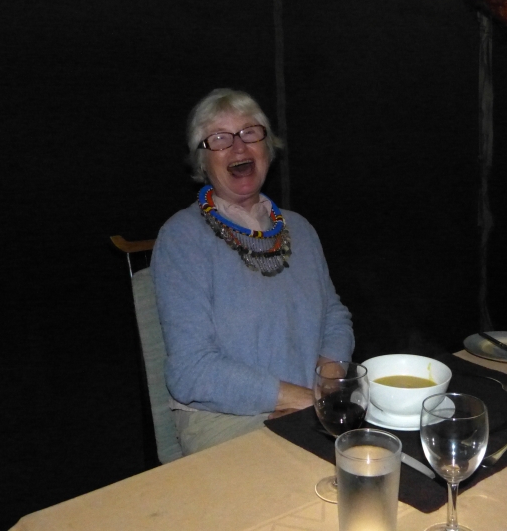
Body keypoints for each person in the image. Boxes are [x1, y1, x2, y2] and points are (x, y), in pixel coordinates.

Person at [151, 88, 355, 455]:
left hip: (307, 405)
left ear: (268, 147)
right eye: (219, 138)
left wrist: (327, 383)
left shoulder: (300, 229)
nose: (238, 147)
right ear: (202, 160)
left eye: (250, 132)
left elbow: (334, 317)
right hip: (223, 419)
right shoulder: (182, 237)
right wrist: (299, 400)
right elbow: (191, 370)